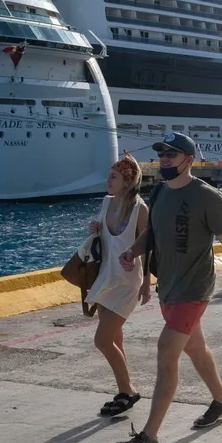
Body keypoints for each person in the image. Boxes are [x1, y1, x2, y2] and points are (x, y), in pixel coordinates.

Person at [113, 133, 222, 443]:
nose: (164, 160)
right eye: (161, 154)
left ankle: (149, 436)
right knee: (197, 349)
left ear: (188, 160)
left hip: (194, 288)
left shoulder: (209, 197)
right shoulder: (160, 192)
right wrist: (133, 251)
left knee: (166, 350)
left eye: (171, 155)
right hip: (169, 287)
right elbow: (153, 231)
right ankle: (221, 400)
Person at [86, 152, 151, 417]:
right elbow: (105, 240)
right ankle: (123, 391)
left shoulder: (140, 208)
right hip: (105, 276)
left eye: (113, 177)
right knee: (114, 339)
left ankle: (129, 390)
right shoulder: (106, 202)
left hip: (126, 282)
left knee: (102, 340)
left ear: (127, 180)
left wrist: (147, 282)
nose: (108, 181)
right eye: (109, 176)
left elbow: (148, 245)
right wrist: (94, 228)